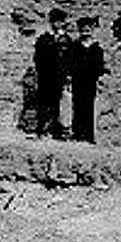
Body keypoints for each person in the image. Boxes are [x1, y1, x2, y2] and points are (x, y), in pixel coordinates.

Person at [69, 16, 107, 143]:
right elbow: (70, 64)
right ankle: (77, 133)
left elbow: (100, 66)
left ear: (92, 30)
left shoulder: (97, 48)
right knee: (78, 105)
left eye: (88, 30)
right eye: (83, 30)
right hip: (77, 80)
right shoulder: (74, 47)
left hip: (91, 81)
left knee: (89, 106)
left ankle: (89, 135)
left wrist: (98, 76)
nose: (85, 32)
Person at [33, 8, 68, 138]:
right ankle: (41, 128)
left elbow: (69, 59)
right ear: (51, 22)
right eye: (55, 21)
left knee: (56, 103)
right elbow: (37, 58)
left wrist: (66, 74)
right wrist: (41, 72)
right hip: (45, 76)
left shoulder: (66, 40)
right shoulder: (43, 39)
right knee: (43, 102)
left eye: (60, 22)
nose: (57, 24)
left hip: (59, 77)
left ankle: (55, 129)